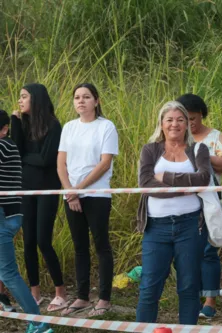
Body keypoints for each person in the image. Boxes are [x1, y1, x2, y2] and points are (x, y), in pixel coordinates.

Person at [135, 101, 211, 325]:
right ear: (161, 123)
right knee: (149, 287)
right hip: (156, 227)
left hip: (190, 226)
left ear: (188, 124)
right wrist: (184, 188)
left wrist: (166, 178)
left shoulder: (199, 149)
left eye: (180, 119)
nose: (174, 124)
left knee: (189, 286)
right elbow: (146, 184)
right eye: (169, 120)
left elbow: (203, 180)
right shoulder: (150, 149)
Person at [57, 83, 118, 317]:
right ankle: (82, 296)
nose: (80, 101)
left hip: (97, 194)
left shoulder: (106, 127)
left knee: (101, 245)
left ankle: (104, 299)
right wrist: (69, 191)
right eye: (77, 97)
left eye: (86, 97)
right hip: (71, 195)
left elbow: (104, 163)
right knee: (79, 246)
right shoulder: (69, 127)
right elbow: (61, 163)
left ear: (96, 100)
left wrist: (78, 189)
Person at [10, 83, 68, 312]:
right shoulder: (22, 124)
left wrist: (26, 156)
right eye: (19, 97)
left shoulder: (53, 125)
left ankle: (60, 291)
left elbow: (46, 160)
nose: (20, 101)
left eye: (23, 96)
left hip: (47, 189)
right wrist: (15, 123)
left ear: (36, 99)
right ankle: (35, 291)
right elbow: (16, 153)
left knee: (44, 240)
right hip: (25, 190)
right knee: (28, 243)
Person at [176, 93, 222, 319]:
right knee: (185, 251)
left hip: (210, 200)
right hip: (181, 202)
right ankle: (191, 296)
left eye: (193, 118)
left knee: (209, 250)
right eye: (184, 118)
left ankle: (210, 300)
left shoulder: (215, 136)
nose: (189, 123)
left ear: (202, 115)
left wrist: (202, 156)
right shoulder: (174, 137)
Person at [0, 109, 53, 332]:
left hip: (3, 216)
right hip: (11, 215)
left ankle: (39, 323)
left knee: (8, 273)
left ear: (4, 130)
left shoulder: (2, 146)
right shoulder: (9, 146)